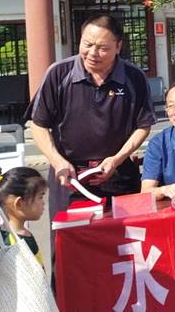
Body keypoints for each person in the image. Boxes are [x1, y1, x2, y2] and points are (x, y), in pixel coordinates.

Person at [27, 13, 155, 224]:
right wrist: (57, 161)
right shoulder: (58, 74)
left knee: (126, 237)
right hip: (69, 177)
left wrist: (117, 159)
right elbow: (39, 124)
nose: (93, 53)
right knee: (68, 238)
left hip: (118, 174)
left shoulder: (134, 77)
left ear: (118, 47)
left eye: (103, 48)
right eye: (87, 44)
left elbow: (143, 125)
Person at [0, 167, 47, 265]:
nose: (43, 203)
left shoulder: (12, 235)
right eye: (40, 197)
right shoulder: (12, 244)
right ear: (19, 203)